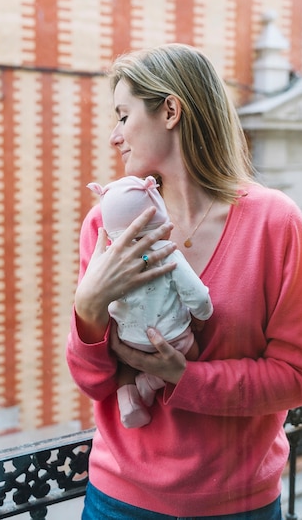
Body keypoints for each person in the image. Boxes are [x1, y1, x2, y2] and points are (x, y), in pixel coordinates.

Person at [66, 43, 302, 520]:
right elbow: (93, 382)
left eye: (123, 116)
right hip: (119, 501)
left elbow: (297, 378)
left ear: (171, 111)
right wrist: (88, 306)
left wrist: (183, 376)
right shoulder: (106, 226)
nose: (113, 137)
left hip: (239, 506)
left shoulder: (276, 223)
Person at [85, 174, 213, 428]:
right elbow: (196, 294)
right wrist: (202, 315)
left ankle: (129, 401)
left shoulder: (110, 260)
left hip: (127, 338)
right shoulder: (166, 253)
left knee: (125, 365)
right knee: (193, 355)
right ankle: (152, 382)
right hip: (172, 337)